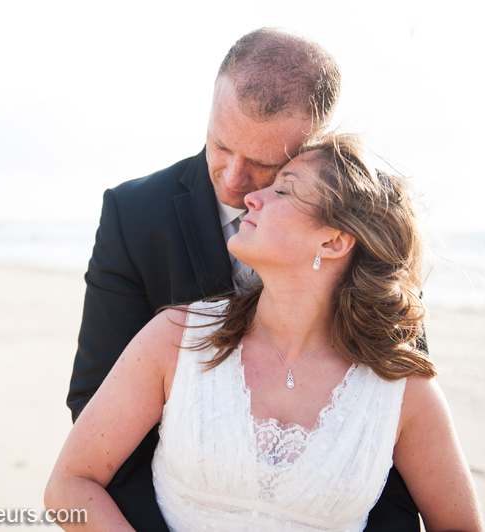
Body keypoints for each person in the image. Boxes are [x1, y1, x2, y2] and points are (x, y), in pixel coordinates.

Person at [66, 28, 419, 531]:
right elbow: (93, 402)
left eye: (264, 165)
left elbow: (389, 415)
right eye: (220, 145)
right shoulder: (133, 214)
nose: (233, 180)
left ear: (315, 142)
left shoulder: (369, 226)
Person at [47, 132, 483, 531]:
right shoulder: (179, 336)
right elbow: (69, 485)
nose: (252, 198)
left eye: (282, 189)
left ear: (333, 242)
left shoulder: (403, 391)